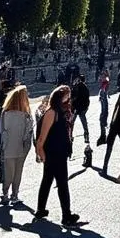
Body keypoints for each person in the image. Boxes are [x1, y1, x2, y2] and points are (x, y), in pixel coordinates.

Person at [34, 86, 80, 225]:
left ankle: (41, 210)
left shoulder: (59, 111)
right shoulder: (51, 113)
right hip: (54, 153)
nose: (69, 98)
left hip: (58, 152)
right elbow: (42, 136)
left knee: (47, 180)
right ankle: (66, 215)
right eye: (67, 96)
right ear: (60, 97)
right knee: (62, 183)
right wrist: (40, 152)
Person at [0, 86, 34, 205]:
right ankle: (15, 194)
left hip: (8, 146)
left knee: (9, 172)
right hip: (21, 146)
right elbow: (28, 132)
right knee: (18, 172)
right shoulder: (25, 114)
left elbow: (2, 130)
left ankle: (5, 193)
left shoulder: (5, 113)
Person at [102, 91, 120, 175]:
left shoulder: (118, 105)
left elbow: (114, 119)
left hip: (115, 129)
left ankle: (105, 168)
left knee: (109, 149)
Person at [70, 75, 91, 142]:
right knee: (84, 123)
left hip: (76, 108)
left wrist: (72, 106)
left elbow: (72, 97)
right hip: (82, 108)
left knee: (71, 123)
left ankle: (70, 136)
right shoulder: (85, 88)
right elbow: (87, 99)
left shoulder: (76, 87)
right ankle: (86, 136)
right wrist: (86, 108)